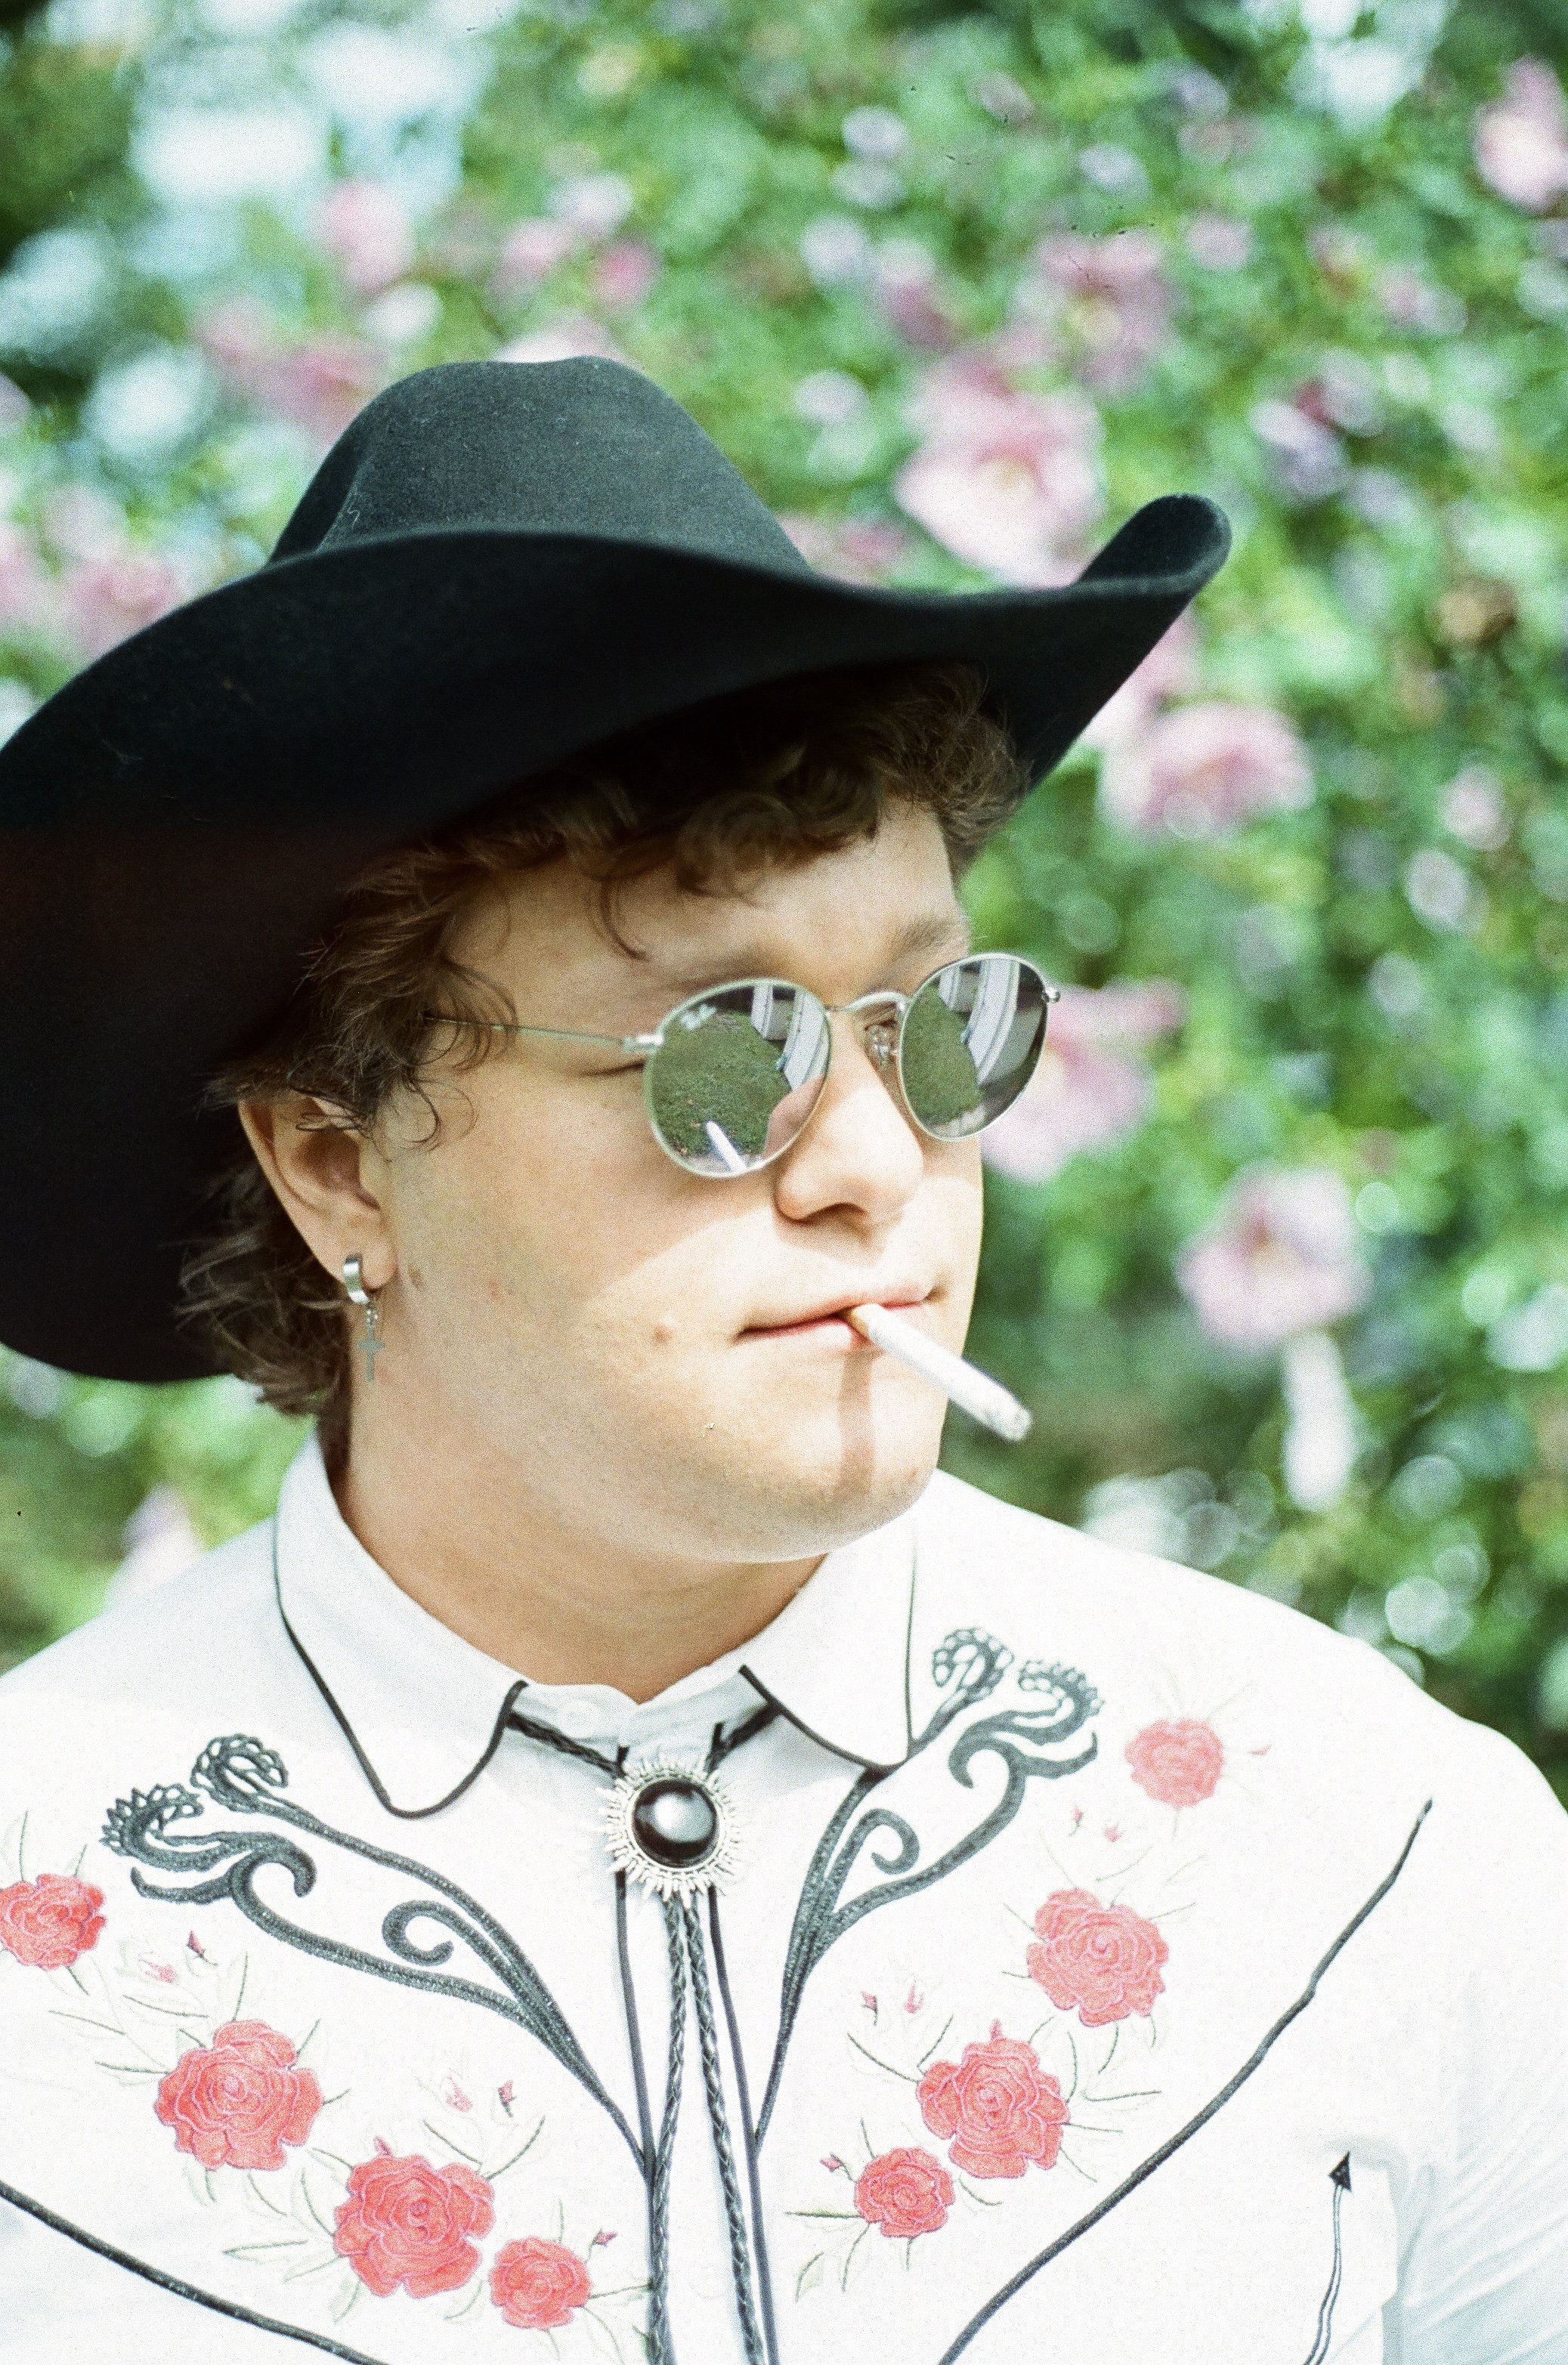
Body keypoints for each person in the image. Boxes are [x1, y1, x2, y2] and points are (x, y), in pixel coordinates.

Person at [0, 359, 1561, 2365]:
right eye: (721, 1055)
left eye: (938, 1027)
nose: (867, 1164)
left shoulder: (1377, 1843)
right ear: (333, 1159)